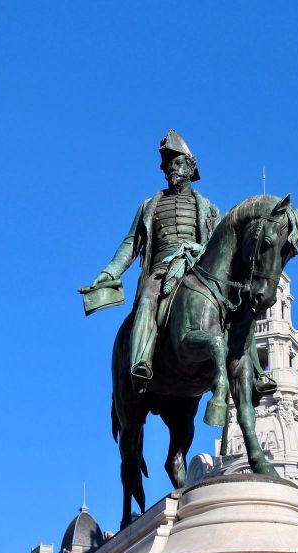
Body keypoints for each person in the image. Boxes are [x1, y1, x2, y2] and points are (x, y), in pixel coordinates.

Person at [84, 130, 220, 381]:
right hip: (161, 270)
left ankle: (253, 372)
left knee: (233, 307)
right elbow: (130, 244)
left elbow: (218, 246)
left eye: (177, 163)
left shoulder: (209, 208)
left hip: (197, 269)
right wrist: (108, 272)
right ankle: (141, 361)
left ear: (190, 167)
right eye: (167, 165)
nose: (170, 169)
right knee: (147, 300)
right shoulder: (150, 205)